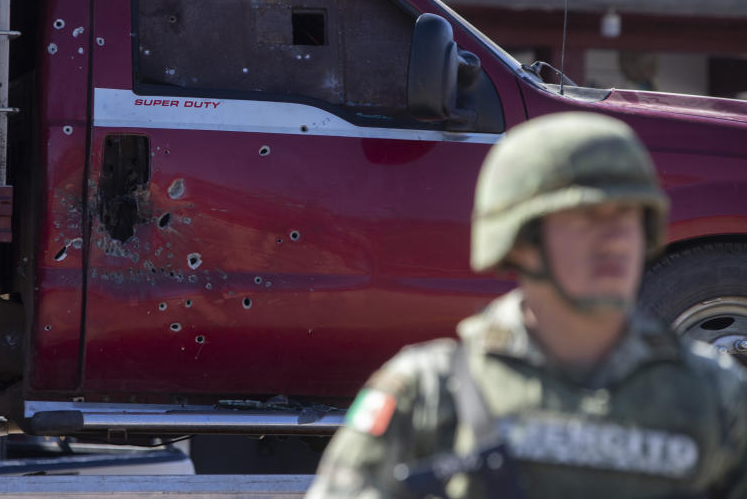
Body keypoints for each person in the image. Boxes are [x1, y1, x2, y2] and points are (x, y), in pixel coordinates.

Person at [307, 112, 747, 499]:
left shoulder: (716, 397)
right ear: (520, 242)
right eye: (587, 217)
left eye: (629, 217)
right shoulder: (430, 394)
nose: (616, 238)